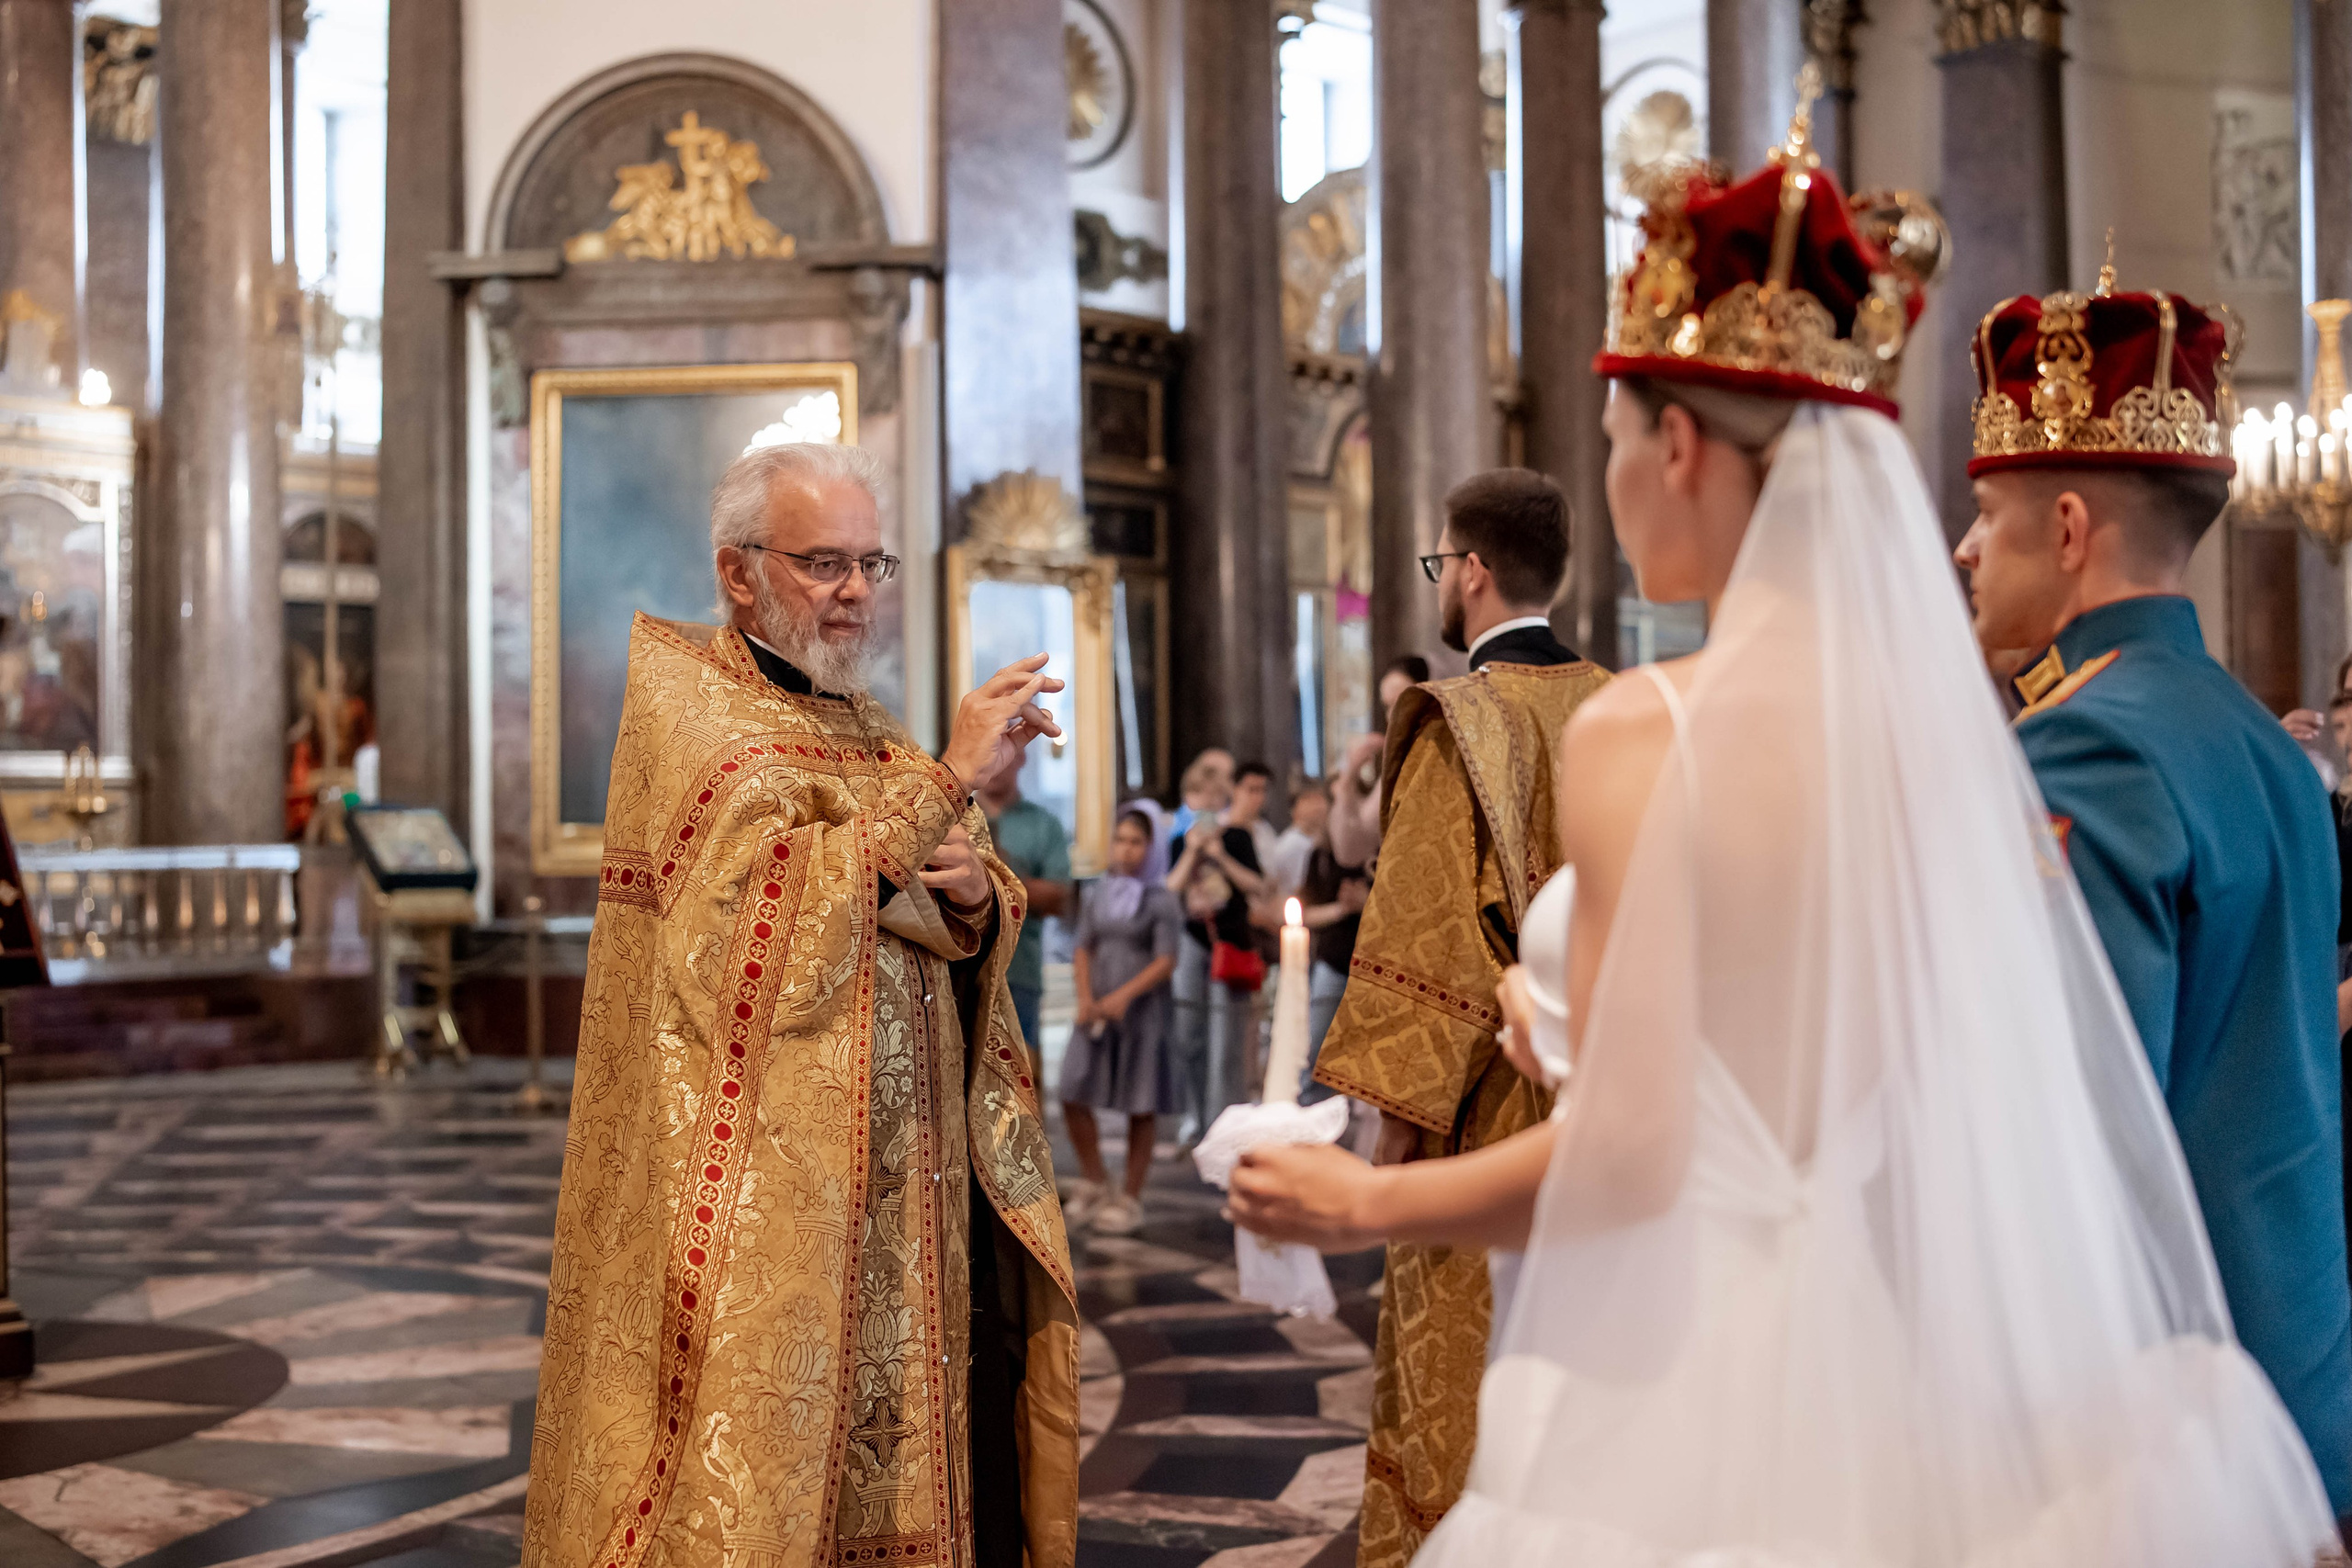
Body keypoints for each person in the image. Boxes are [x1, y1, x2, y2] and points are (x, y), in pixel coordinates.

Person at [1227, 100, 2338, 1567]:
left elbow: (1636, 1157)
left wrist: (1365, 1200)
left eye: (1616, 437)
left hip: (1711, 1359)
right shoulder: (1955, 741)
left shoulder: (1647, 727)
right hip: (1899, 1359)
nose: (1613, 479)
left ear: (1681, 443)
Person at [525, 441, 1080, 1568]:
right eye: (823, 563)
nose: (854, 591)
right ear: (738, 572)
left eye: (870, 563)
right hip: (766, 1203)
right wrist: (945, 782)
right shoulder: (697, 720)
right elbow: (749, 949)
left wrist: (978, 898)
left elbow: (938, 884)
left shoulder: (866, 726)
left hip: (911, 1193)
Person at [1955, 272, 2352, 1519]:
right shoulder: (2264, 743)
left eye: (1987, 513)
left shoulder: (2088, 743)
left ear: (2070, 528)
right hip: (2296, 1346)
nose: (1964, 548)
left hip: (2164, 1400)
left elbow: (2071, 1124)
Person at [1306, 467, 1607, 1568]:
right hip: (1614, 1105)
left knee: (1458, 1395)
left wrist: (1389, 1148)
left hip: (1485, 1117)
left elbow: (1427, 940)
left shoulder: (1454, 719)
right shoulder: (1622, 702)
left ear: (1471, 571)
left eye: (1440, 562)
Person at [1060, 808, 1183, 1236]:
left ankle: (1131, 1194)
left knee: (1140, 1102)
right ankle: (1095, 1178)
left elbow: (1166, 959)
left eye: (1136, 842)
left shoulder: (1160, 899)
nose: (1126, 850)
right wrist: (1086, 996)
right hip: (1097, 1008)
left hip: (1142, 1013)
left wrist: (1124, 995)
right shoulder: (1099, 893)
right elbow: (1083, 946)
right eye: (1120, 840)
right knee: (1072, 1089)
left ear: (1150, 848)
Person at [1166, 761, 1270, 1128]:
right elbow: (1170, 889)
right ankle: (1196, 1119)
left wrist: (1220, 855)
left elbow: (1257, 885)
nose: (1206, 804)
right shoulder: (1179, 841)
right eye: (1198, 796)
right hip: (1193, 942)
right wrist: (1193, 851)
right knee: (1189, 1035)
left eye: (1213, 797)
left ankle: (1225, 1124)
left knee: (1227, 1041)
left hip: (1231, 943)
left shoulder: (1238, 838)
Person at [978, 771, 1072, 1071]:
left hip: (1020, 969)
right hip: (957, 968)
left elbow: (1061, 899)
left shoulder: (1043, 824)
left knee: (1020, 1071)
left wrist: (1003, 876)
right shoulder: (952, 815)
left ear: (1020, 758)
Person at [1295, 784, 1368, 1107]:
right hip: (1334, 961)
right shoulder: (1320, 856)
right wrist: (1342, 909)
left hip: (1370, 962)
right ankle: (1313, 1114)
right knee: (1318, 1049)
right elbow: (1304, 913)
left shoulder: (1374, 854)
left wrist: (1366, 902)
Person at [1265, 774, 1327, 898]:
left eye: (1320, 798)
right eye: (1309, 800)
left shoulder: (1318, 840)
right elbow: (1301, 891)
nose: (1318, 806)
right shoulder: (1292, 844)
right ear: (1295, 808)